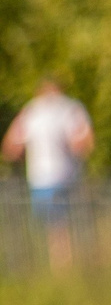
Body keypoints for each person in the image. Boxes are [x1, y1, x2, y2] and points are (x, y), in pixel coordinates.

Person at [5, 79, 96, 267]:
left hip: (41, 179)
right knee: (63, 226)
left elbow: (11, 147)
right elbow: (85, 142)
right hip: (64, 176)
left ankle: (62, 267)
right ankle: (66, 267)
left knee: (54, 227)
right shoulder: (69, 109)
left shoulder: (31, 111)